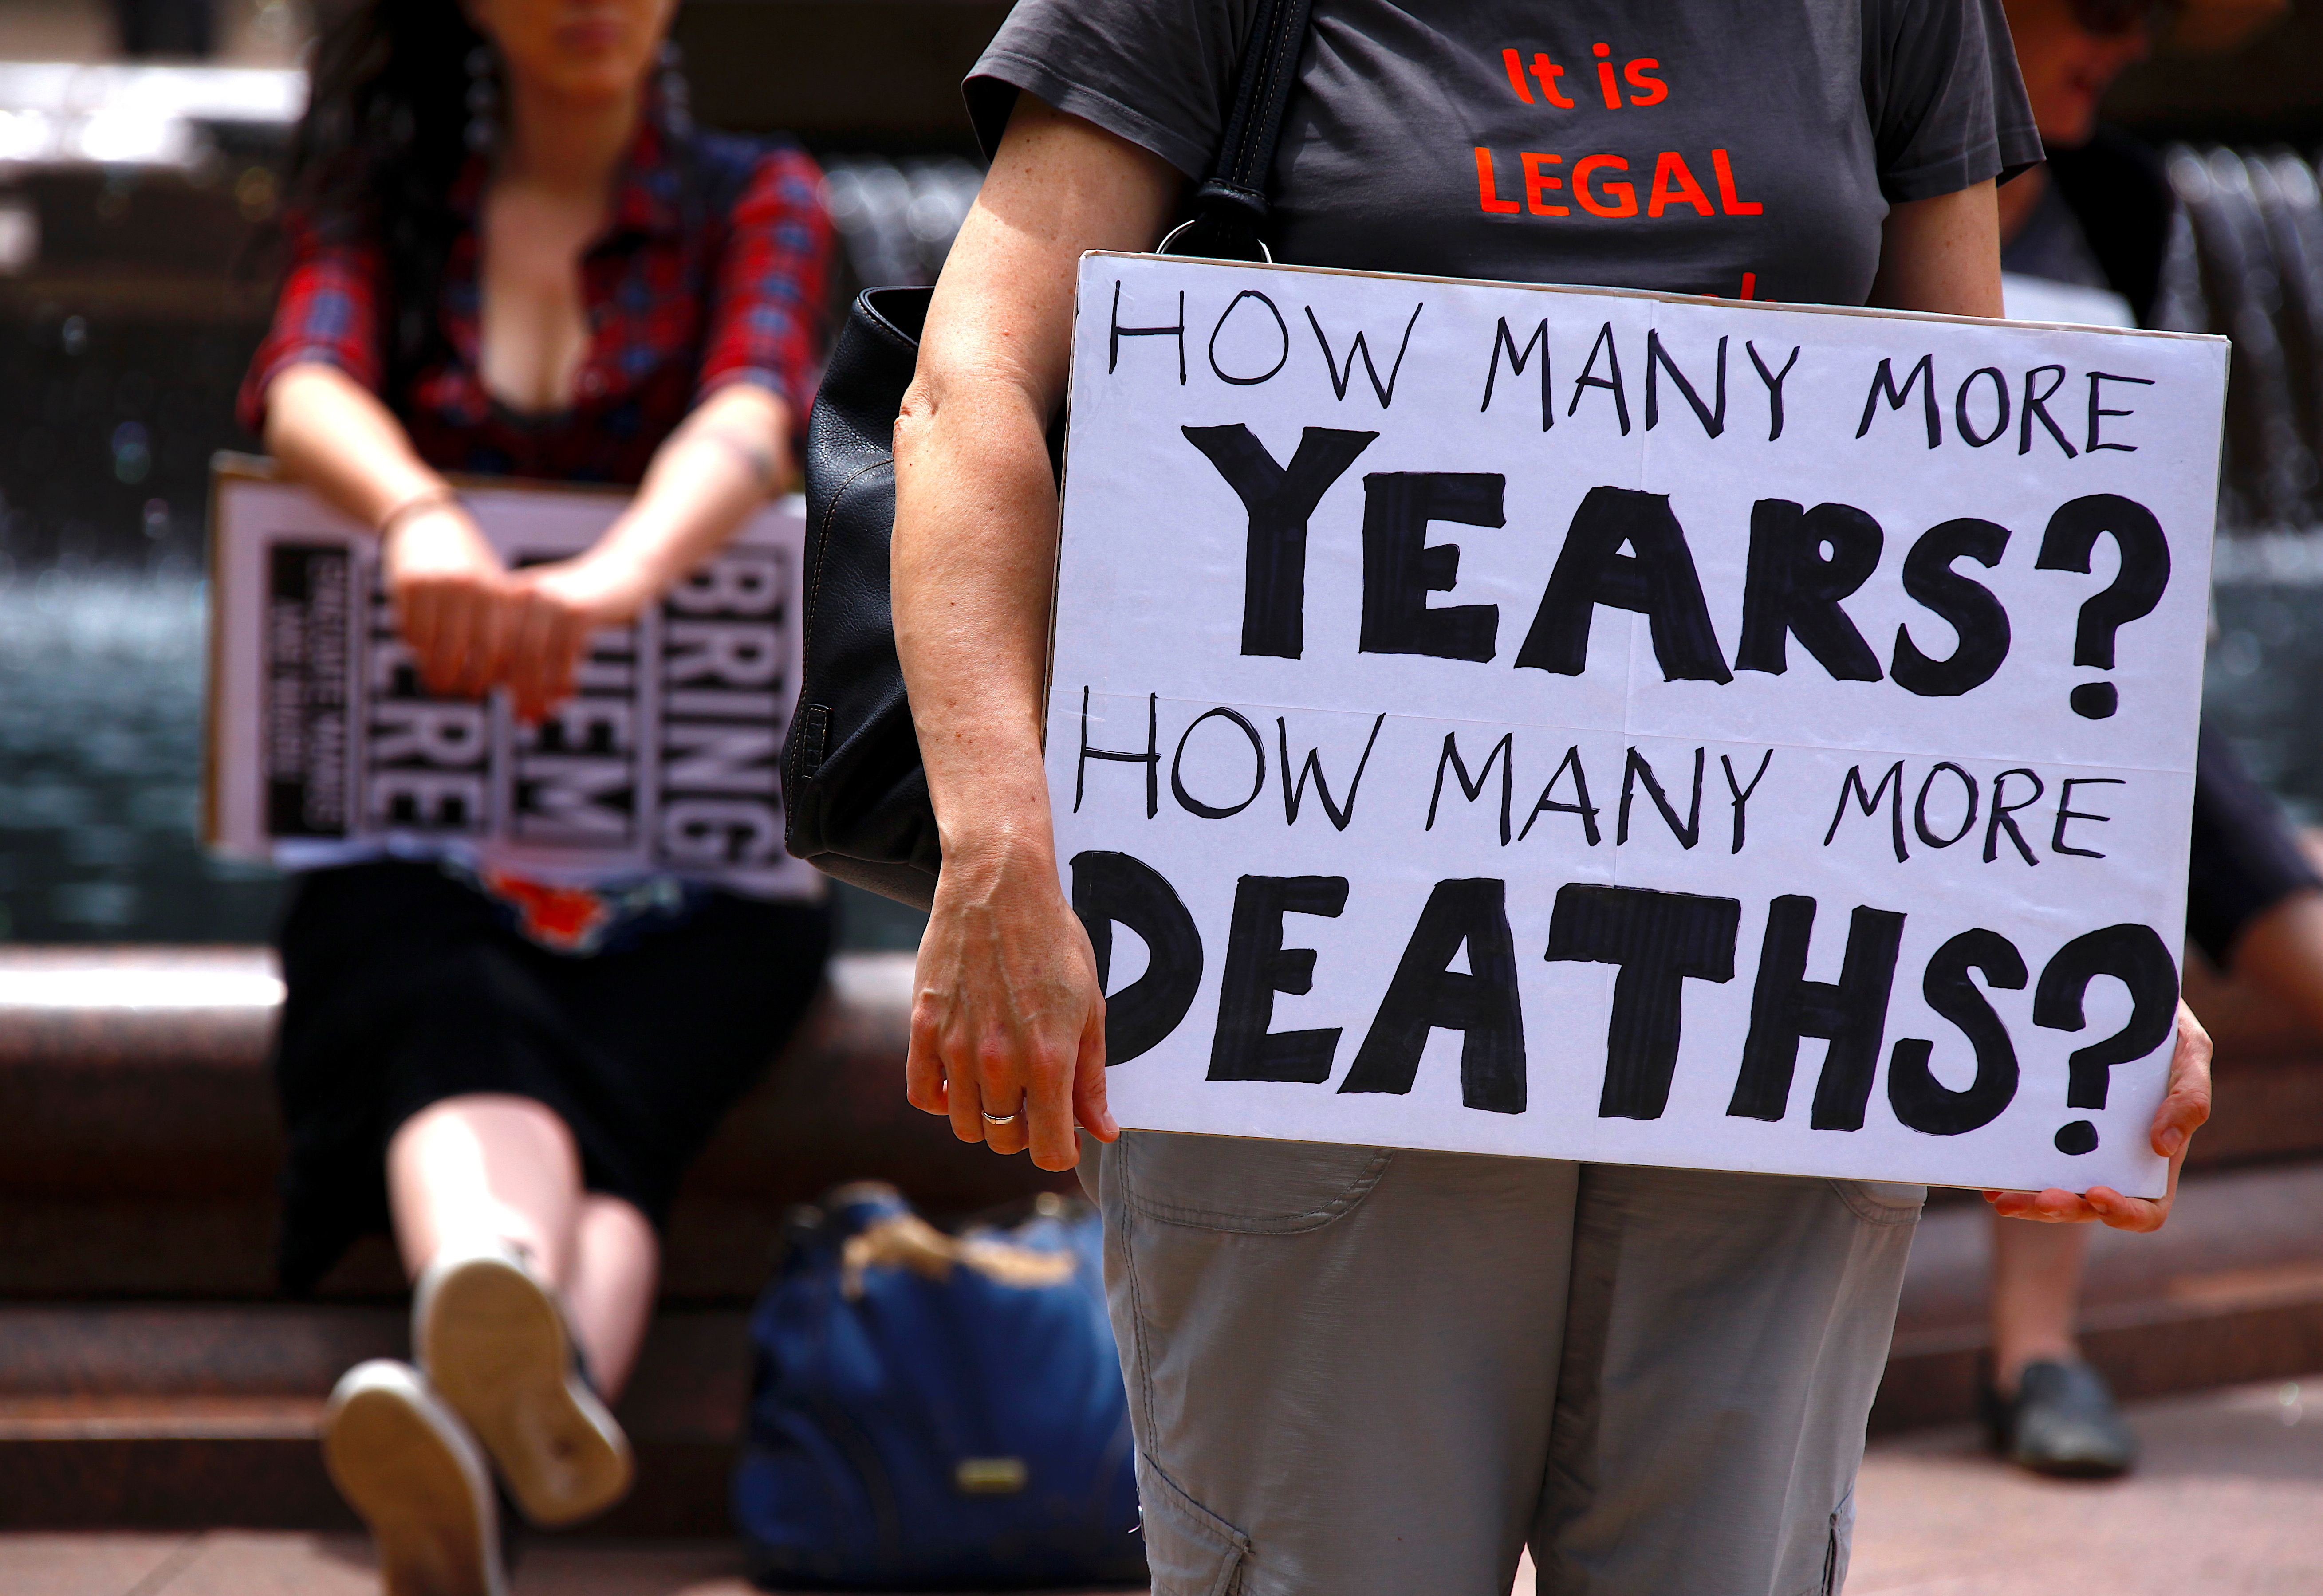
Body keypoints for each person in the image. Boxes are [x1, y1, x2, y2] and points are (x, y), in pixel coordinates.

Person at [889, 4, 2217, 1593]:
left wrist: (2080, 928)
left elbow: (1974, 470)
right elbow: (967, 390)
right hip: (1320, 1001)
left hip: (1764, 1016)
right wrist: (997, 849)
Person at [236, 1, 834, 1589]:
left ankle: (481, 1361)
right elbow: (303, 381)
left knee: (607, 1062)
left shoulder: (757, 195)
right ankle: (513, 1353)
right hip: (425, 856)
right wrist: (421, 518)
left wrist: (613, 579)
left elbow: (757, 412)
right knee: (456, 997)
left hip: (698, 878)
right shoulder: (379, 193)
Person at [1984, 0, 2306, 1480]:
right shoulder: (1868, 185)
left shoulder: (2121, 191)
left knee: (2303, 954)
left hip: (2132, 699)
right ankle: (2030, 1358)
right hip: (1973, 704)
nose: (2118, 53)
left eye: (2139, 27)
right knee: (2118, 949)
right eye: (2097, 18)